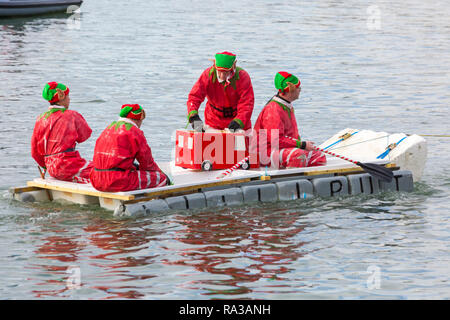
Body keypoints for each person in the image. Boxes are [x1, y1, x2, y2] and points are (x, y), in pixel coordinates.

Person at [253, 72, 327, 169]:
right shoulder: (273, 109)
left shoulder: (287, 106)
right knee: (297, 155)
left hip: (281, 150)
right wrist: (302, 144)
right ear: (290, 90)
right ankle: (288, 179)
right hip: (265, 152)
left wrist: (301, 145)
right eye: (298, 87)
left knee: (319, 156)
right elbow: (276, 140)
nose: (300, 90)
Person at [90, 104, 168, 192]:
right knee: (160, 178)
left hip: (96, 180)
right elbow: (147, 163)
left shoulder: (108, 129)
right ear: (138, 119)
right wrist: (160, 173)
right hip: (117, 181)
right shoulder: (135, 132)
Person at [31, 82, 93, 183]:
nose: (69, 99)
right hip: (68, 166)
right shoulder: (72, 115)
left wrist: (45, 166)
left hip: (51, 167)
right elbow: (85, 136)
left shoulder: (40, 118)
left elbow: (34, 152)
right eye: (68, 96)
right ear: (61, 97)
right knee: (100, 170)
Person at [187, 51, 255, 132]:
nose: (222, 76)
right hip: (213, 120)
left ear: (233, 66)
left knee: (240, 143)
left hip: (237, 119)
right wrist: (193, 116)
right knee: (212, 144)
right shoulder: (208, 75)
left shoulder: (242, 77)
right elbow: (194, 97)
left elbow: (247, 103)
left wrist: (239, 121)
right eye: (219, 71)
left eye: (226, 72)